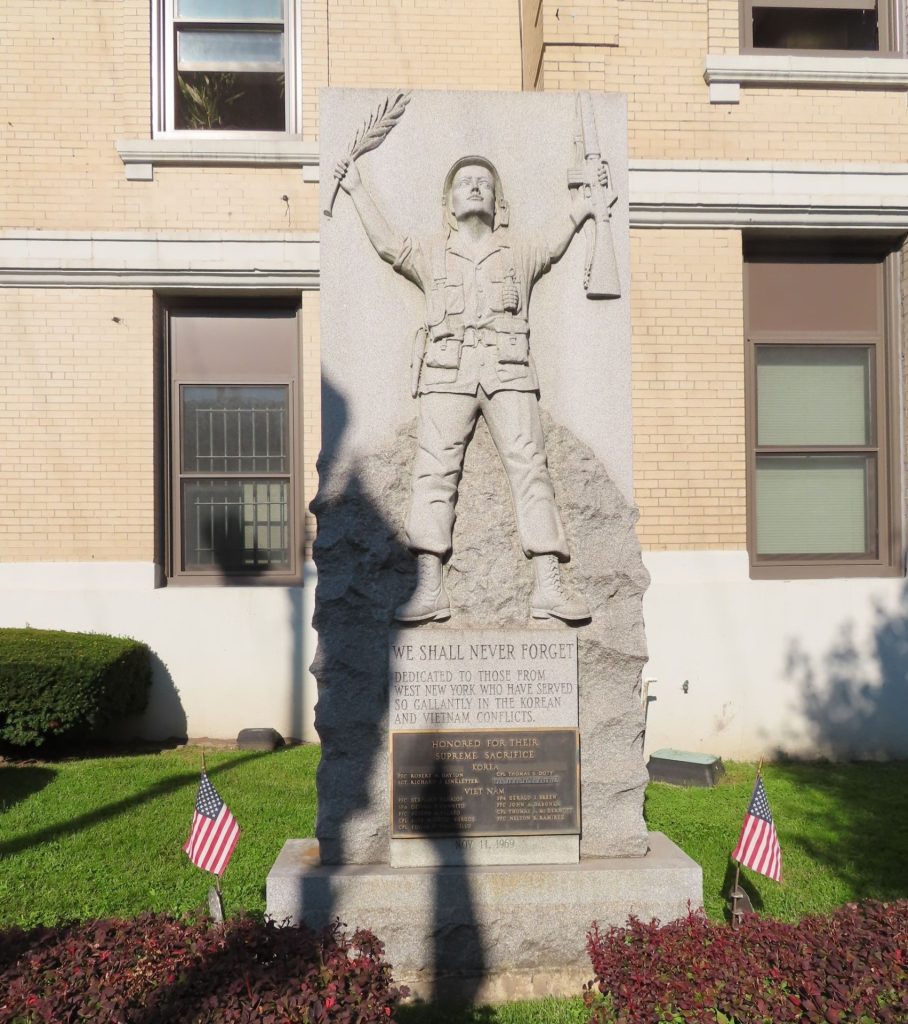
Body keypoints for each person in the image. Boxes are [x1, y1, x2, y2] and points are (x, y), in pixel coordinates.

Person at [334, 152, 610, 624]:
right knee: (434, 472)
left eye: (484, 182)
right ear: (449, 202)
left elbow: (550, 248)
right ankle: (428, 585)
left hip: (509, 370)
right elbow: (388, 247)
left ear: (498, 199)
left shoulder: (517, 249)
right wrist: (357, 188)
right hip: (447, 372)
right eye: (465, 183)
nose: (476, 187)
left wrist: (583, 209)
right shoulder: (430, 250)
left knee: (531, 469)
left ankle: (548, 584)